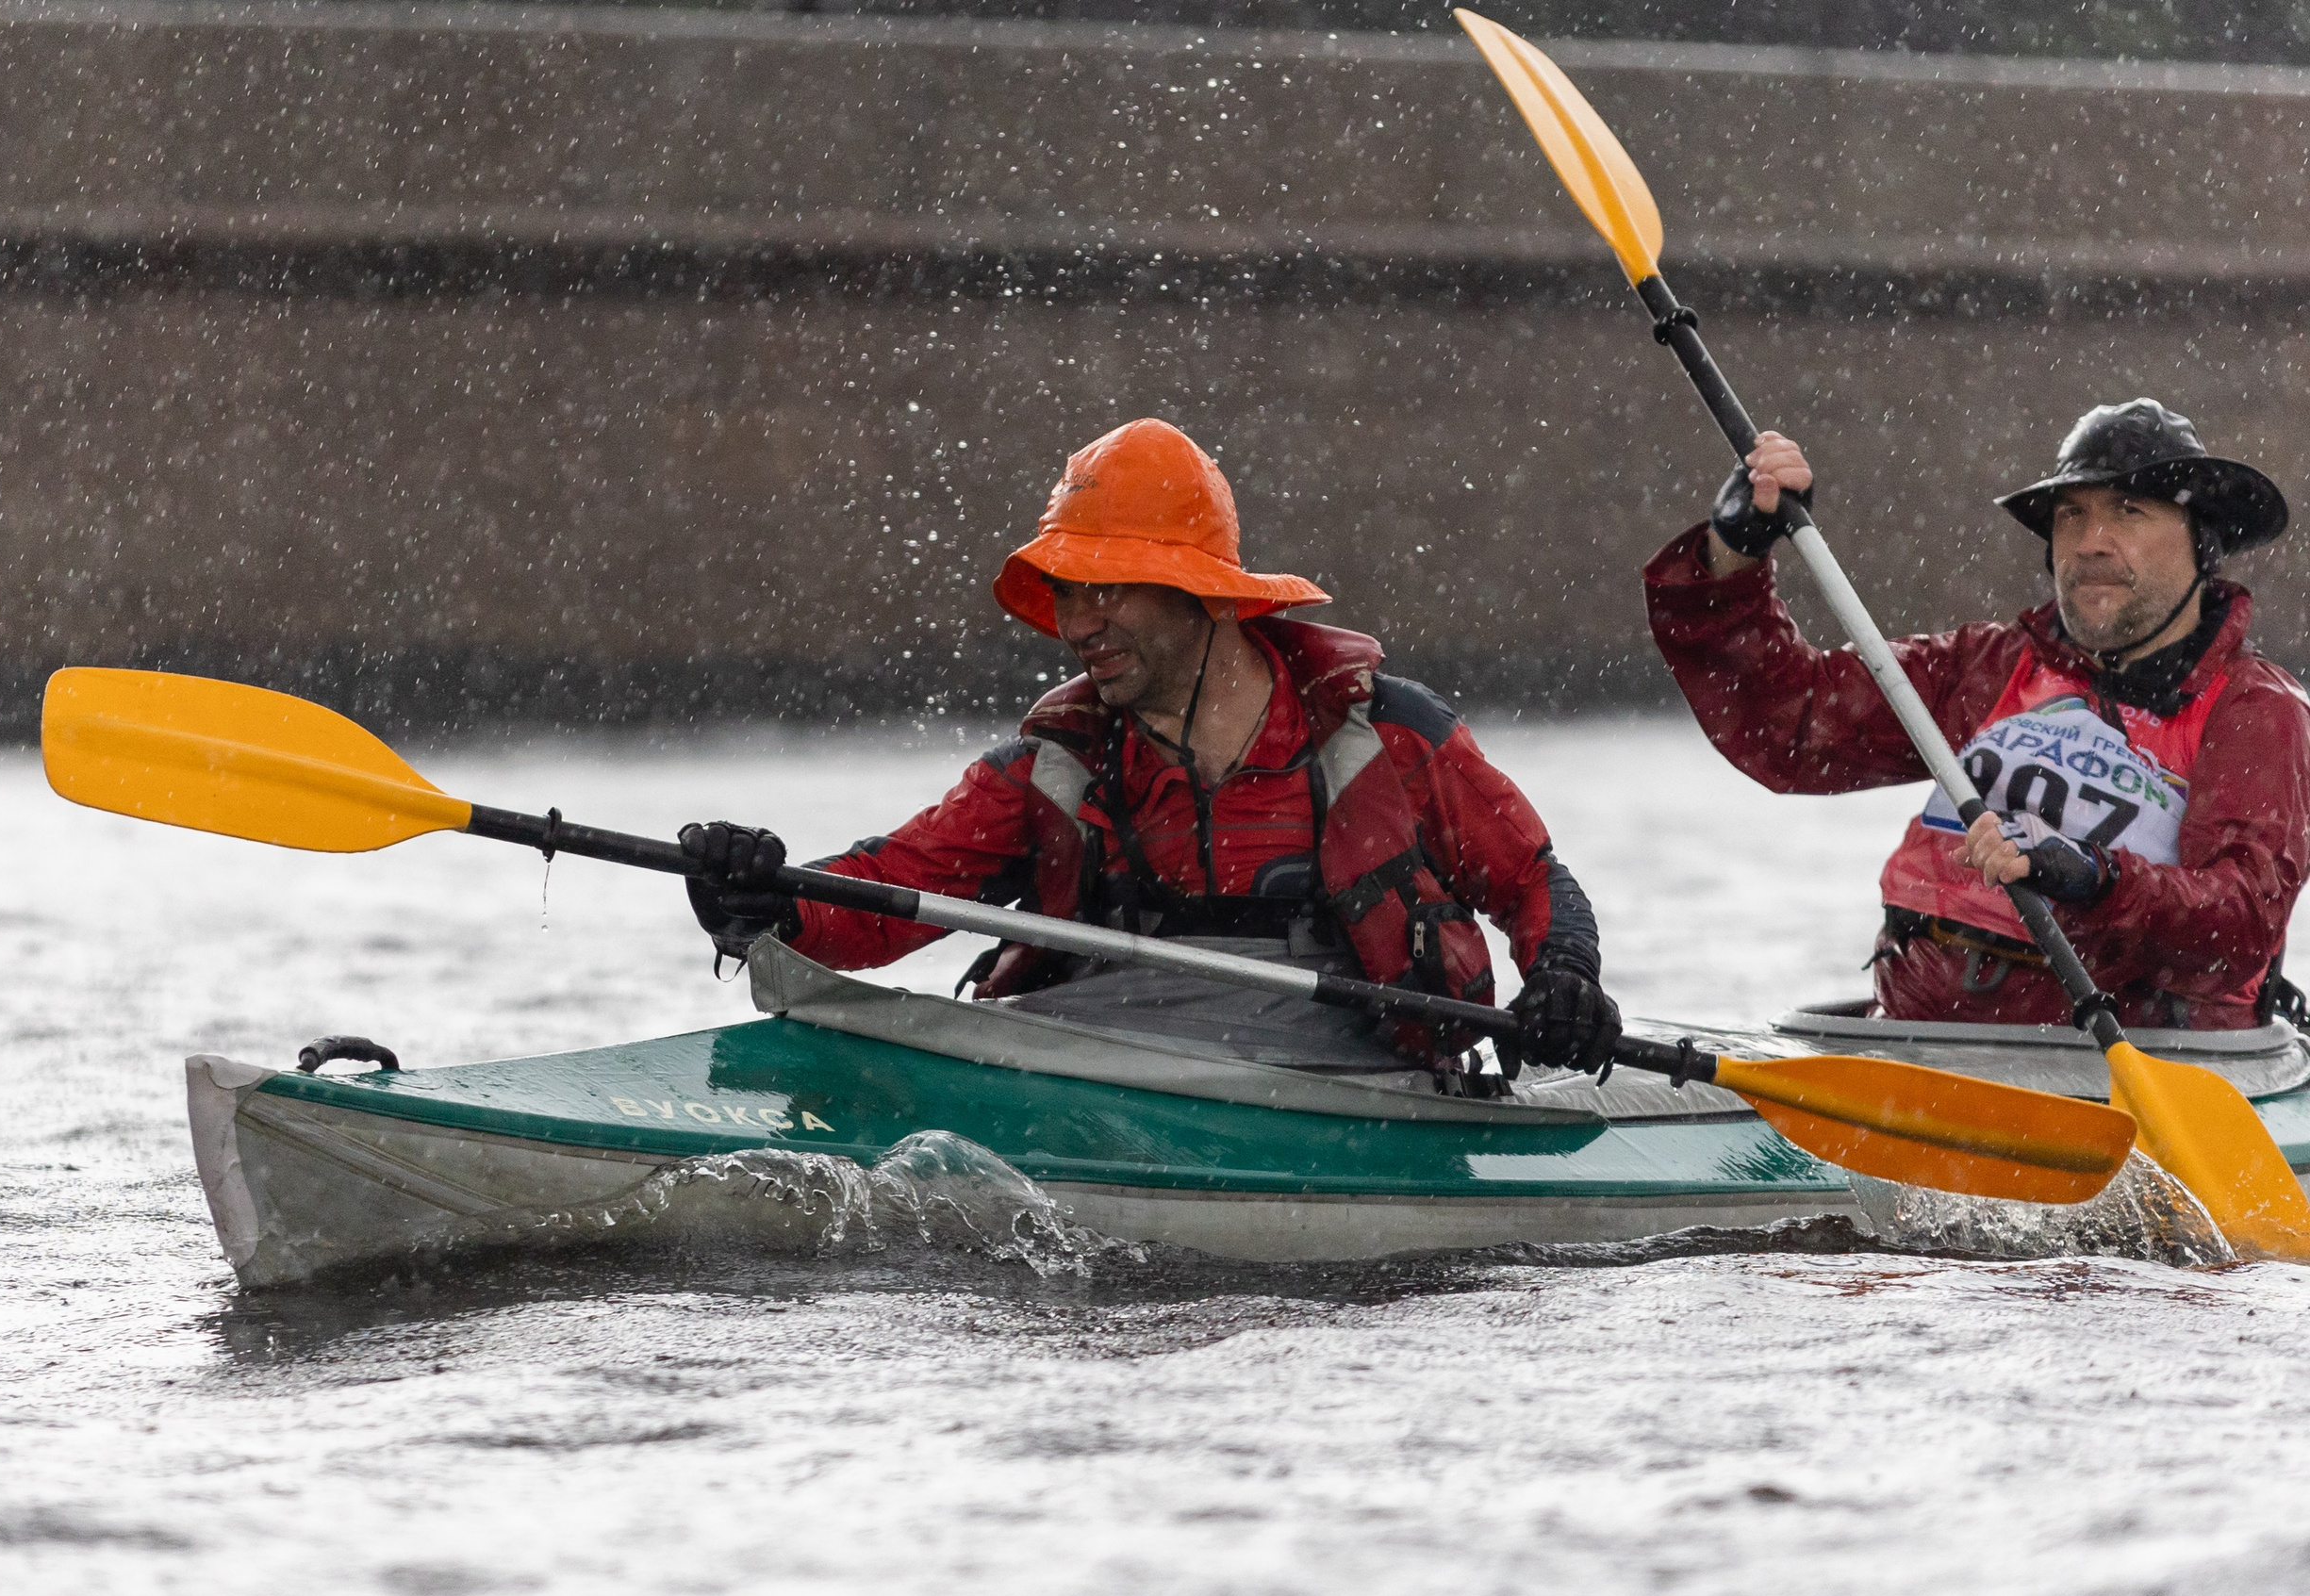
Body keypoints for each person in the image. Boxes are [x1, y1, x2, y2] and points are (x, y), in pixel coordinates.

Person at [681, 417, 1621, 1086]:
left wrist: (1565, 981)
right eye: (1067, 593)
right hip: (1093, 1058)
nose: (1078, 624)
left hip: (1345, 1079)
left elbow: (1531, 881)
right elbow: (889, 892)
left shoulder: (1388, 734)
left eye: (1109, 590)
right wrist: (767, 900)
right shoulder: (1054, 765)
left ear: (1206, 598)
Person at [1646, 398, 2309, 1028]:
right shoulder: (1985, 665)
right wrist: (1734, 552)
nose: (2090, 543)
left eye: (2129, 512)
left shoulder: (2256, 710)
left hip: (2131, 1066)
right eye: (2071, 516)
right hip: (1913, 1044)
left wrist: (2088, 877)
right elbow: (1786, 725)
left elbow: (2239, 925)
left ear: (2203, 545)